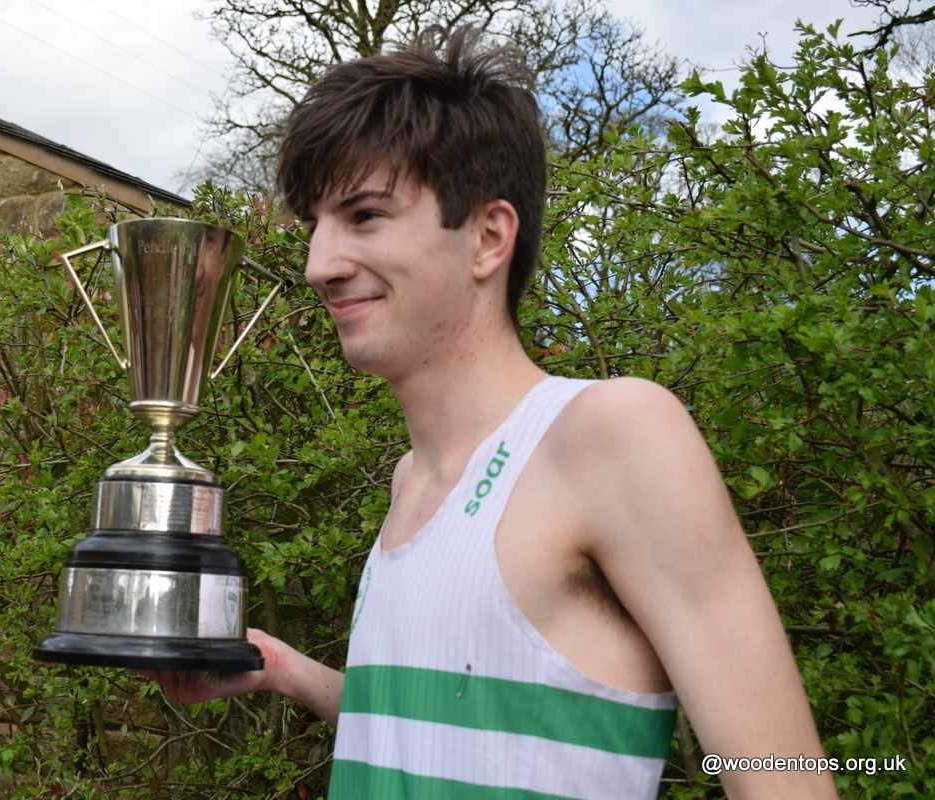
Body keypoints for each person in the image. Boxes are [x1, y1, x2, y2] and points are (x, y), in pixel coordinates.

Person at [140, 26, 838, 800]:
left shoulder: (611, 434)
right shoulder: (413, 479)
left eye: (364, 216)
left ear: (488, 236)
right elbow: (462, 736)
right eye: (314, 224)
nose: (319, 264)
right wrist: (289, 673)